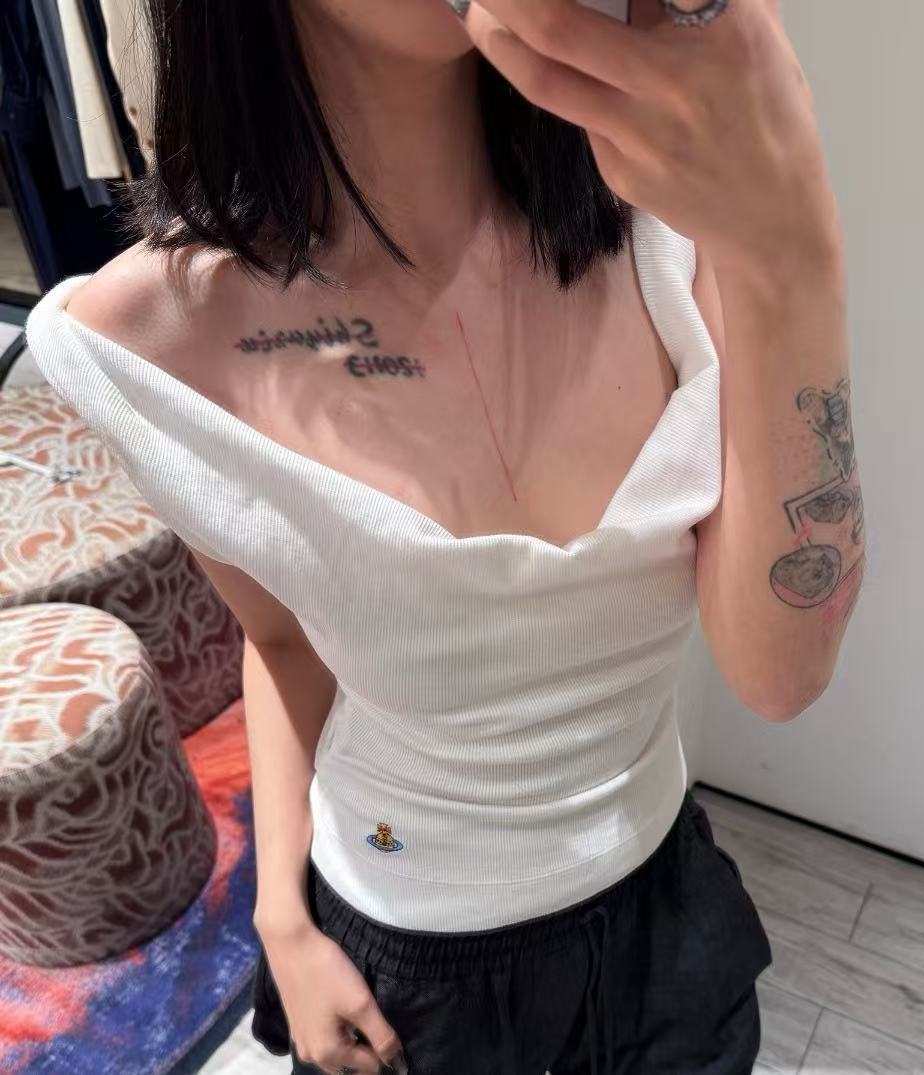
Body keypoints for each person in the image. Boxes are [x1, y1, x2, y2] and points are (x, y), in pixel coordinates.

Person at [25, 0, 859, 1072]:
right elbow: (281, 641)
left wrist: (794, 247)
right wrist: (280, 916)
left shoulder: (669, 216)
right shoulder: (152, 340)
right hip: (408, 968)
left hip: (664, 918)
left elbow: (781, 673)